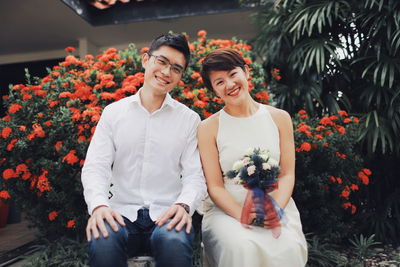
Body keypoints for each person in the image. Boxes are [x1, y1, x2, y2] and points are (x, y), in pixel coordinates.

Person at [81, 33, 207, 267]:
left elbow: (195, 175)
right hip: (119, 213)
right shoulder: (113, 113)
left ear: (181, 76)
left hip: (167, 214)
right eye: (161, 61)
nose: (167, 72)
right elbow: (95, 167)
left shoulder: (189, 119)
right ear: (145, 60)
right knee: (104, 239)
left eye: (176, 68)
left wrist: (184, 205)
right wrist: (98, 205)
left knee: (173, 242)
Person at [197, 49, 308, 267]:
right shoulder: (208, 128)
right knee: (241, 248)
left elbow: (286, 174)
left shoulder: (280, 118)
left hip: (276, 205)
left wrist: (274, 208)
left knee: (287, 247)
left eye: (232, 74)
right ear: (214, 91)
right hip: (228, 212)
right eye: (219, 82)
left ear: (246, 72)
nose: (229, 84)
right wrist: (244, 215)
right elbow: (215, 186)